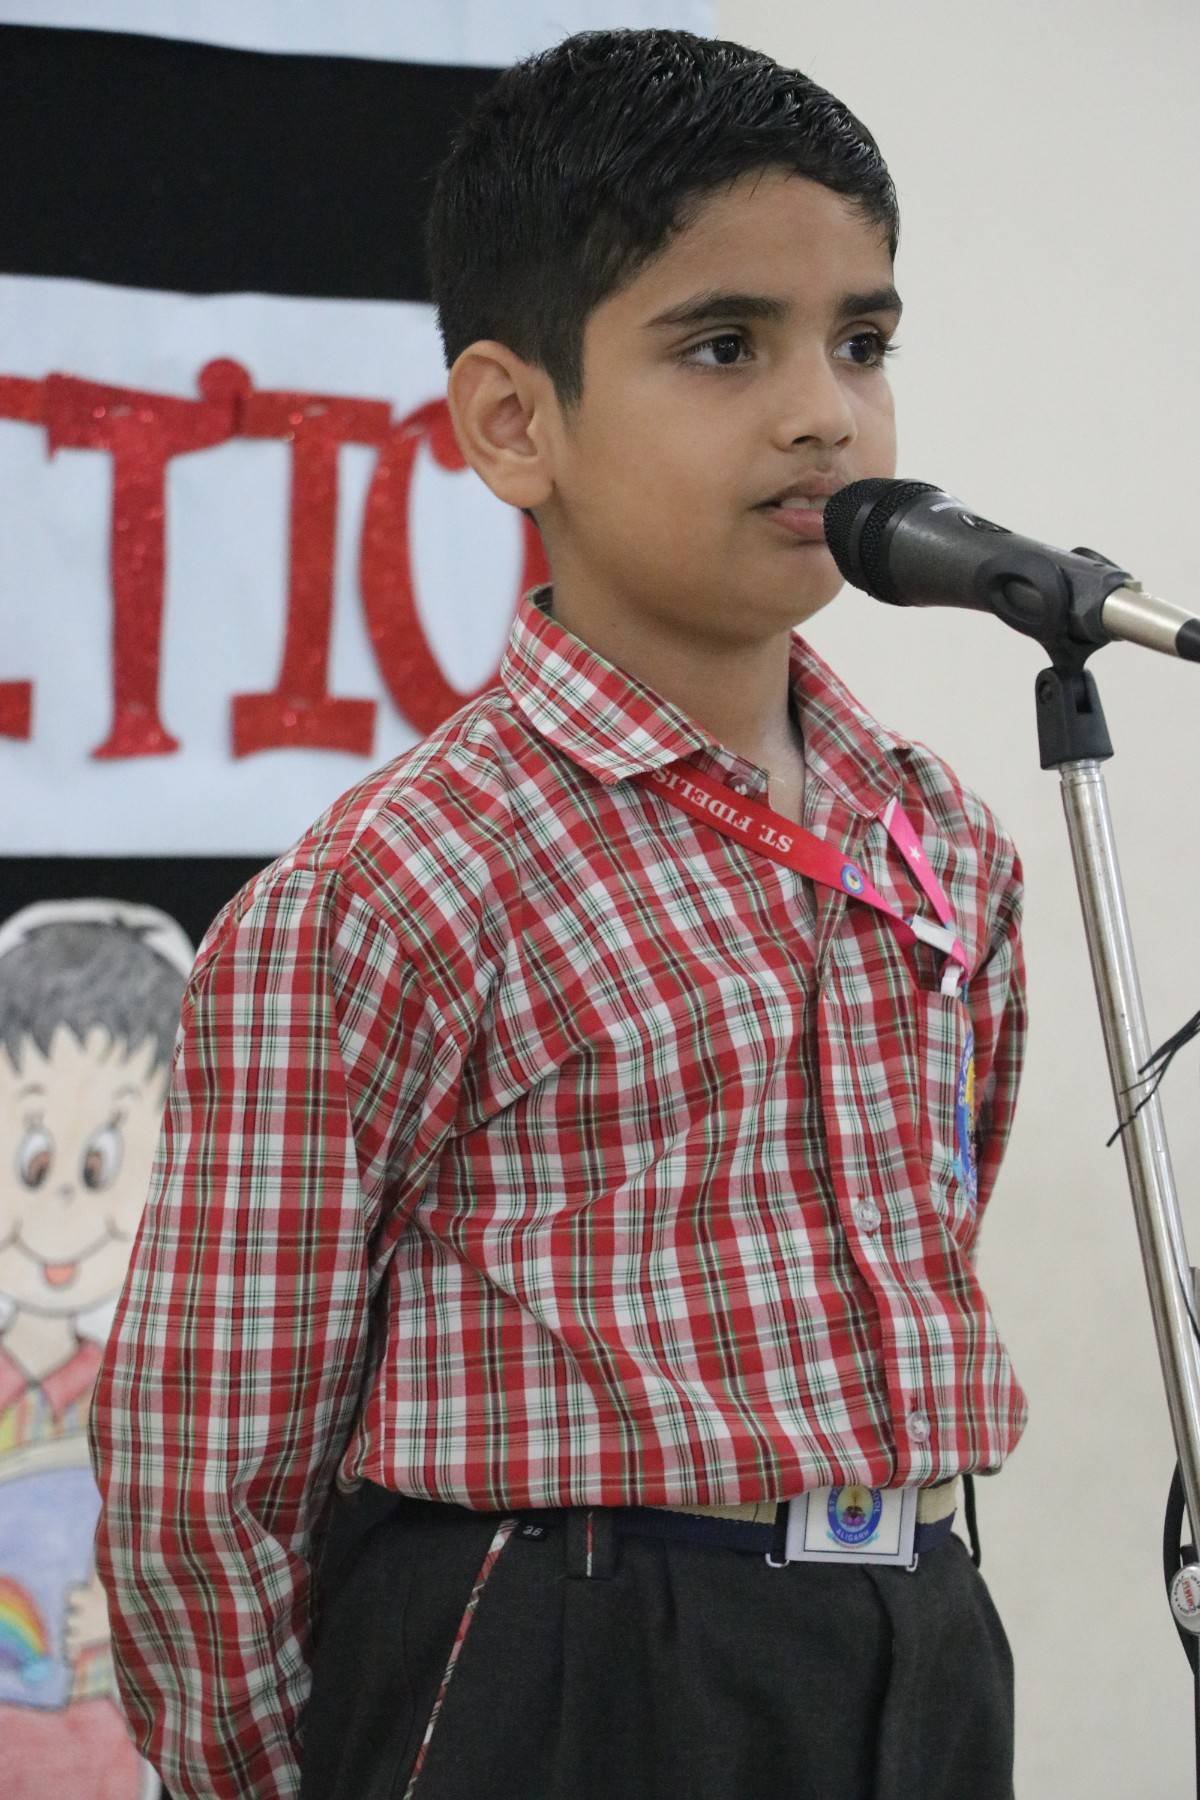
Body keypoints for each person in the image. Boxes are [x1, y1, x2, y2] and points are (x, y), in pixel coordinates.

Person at [88, 27, 1028, 1800]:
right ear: (516, 423)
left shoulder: (946, 840)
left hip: (912, 1620)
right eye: (725, 345)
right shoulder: (397, 881)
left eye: (863, 342)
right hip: (570, 1641)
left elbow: (935, 1205)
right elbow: (204, 1462)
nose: (824, 412)